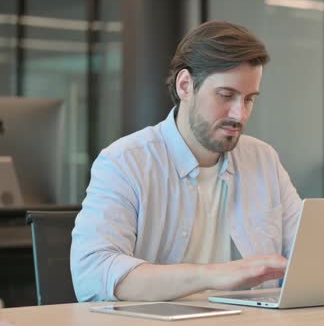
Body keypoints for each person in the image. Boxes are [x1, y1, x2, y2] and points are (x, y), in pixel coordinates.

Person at [70, 20, 302, 302]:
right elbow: (93, 274)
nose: (239, 114)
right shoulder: (124, 162)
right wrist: (214, 275)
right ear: (185, 86)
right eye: (226, 96)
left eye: (249, 99)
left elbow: (307, 256)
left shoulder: (263, 160)